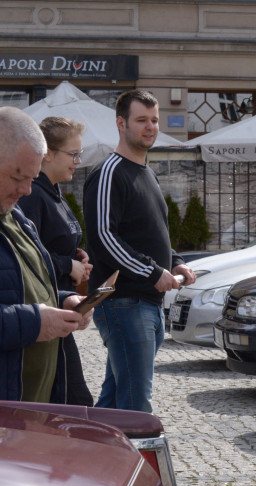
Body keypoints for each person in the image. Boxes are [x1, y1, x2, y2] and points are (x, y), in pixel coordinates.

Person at [84, 90, 195, 413]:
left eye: (155, 120)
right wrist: (152, 271)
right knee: (135, 404)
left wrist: (176, 262)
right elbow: (104, 236)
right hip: (123, 302)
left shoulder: (147, 172)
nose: (150, 127)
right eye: (141, 120)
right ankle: (137, 448)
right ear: (121, 123)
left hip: (146, 303)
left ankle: (95, 445)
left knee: (116, 399)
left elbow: (150, 234)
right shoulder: (109, 173)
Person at [0, 107, 89, 403]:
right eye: (18, 176)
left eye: (33, 177)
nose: (27, 190)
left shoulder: (15, 217)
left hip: (30, 406)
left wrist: (61, 300)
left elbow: (25, 286)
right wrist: (37, 322)